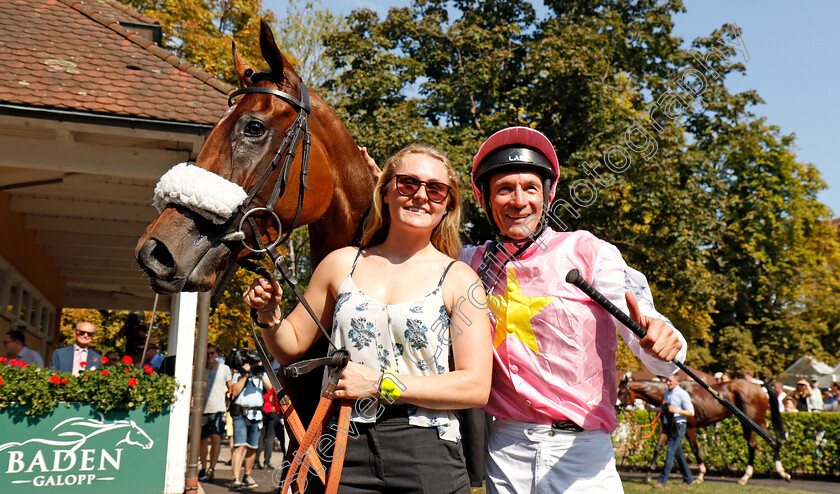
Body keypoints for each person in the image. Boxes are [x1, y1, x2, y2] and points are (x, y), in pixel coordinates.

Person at [244, 144, 493, 493]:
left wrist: (379, 383)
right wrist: (269, 313)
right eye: (408, 183)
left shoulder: (460, 279)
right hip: (341, 444)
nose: (421, 195)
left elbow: (475, 386)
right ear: (386, 191)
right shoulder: (341, 264)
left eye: (435, 189)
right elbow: (289, 346)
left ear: (447, 204)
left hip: (427, 451)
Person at [461, 127, 685, 493]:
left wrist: (663, 339)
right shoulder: (469, 263)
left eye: (530, 188)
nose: (519, 200)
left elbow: (657, 350)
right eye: (504, 189)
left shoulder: (591, 252)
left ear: (548, 196)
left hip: (582, 456)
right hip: (504, 451)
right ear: (484, 199)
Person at [228, 356, 271, 491]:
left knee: (252, 447)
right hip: (241, 414)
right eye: (252, 363)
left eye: (257, 362)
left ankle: (247, 475)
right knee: (239, 447)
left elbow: (271, 389)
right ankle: (235, 478)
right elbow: (234, 391)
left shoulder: (262, 374)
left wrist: (261, 376)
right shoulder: (239, 374)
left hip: (256, 415)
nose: (254, 365)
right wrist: (245, 376)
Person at [654, 375, 694, 488]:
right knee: (677, 453)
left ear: (677, 381)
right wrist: (653, 409)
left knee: (670, 452)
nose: (668, 383)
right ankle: (689, 479)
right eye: (667, 381)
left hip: (679, 426)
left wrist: (676, 410)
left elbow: (691, 412)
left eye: (670, 381)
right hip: (669, 425)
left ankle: (662, 481)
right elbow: (666, 409)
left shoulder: (682, 394)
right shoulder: (667, 392)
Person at [199, 344, 231, 482]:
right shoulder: (199, 369)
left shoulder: (224, 369)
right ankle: (203, 467)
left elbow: (231, 388)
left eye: (212, 353)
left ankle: (212, 467)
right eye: (207, 354)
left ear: (216, 354)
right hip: (202, 409)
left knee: (216, 438)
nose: (210, 356)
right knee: (202, 441)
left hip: (218, 408)